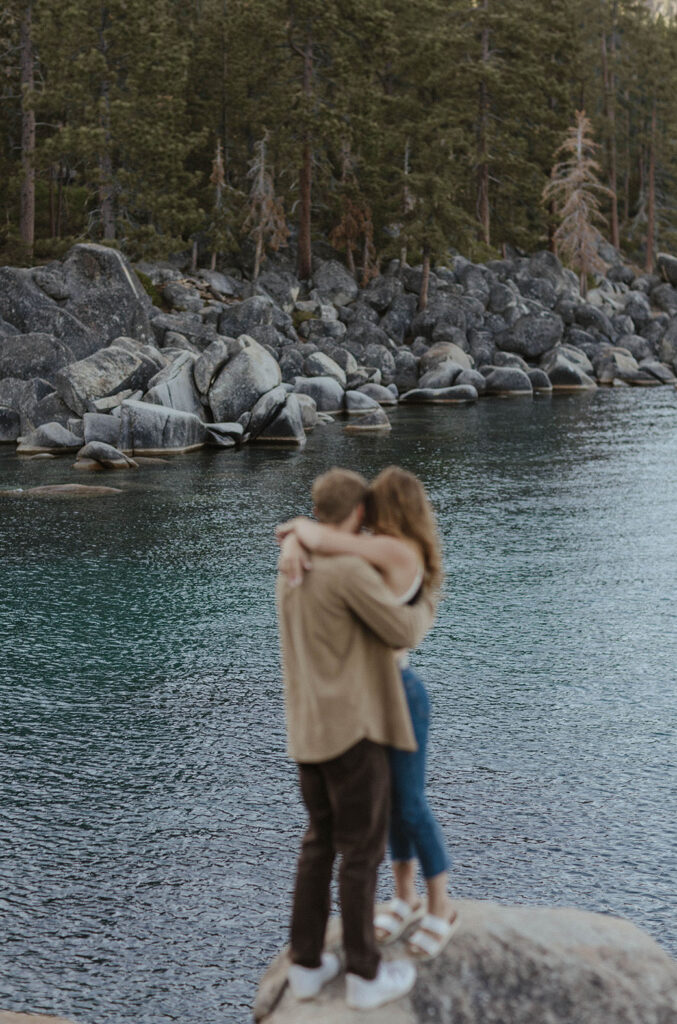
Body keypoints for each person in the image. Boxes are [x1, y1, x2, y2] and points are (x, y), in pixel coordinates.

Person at [277, 465, 459, 961]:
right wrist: (299, 537)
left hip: (399, 690)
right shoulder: (374, 546)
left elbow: (340, 543)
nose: (367, 521)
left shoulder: (397, 550)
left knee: (410, 803)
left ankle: (441, 905)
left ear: (390, 510)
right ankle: (404, 897)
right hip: (373, 692)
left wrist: (301, 532)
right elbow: (336, 542)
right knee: (390, 804)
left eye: (375, 509)